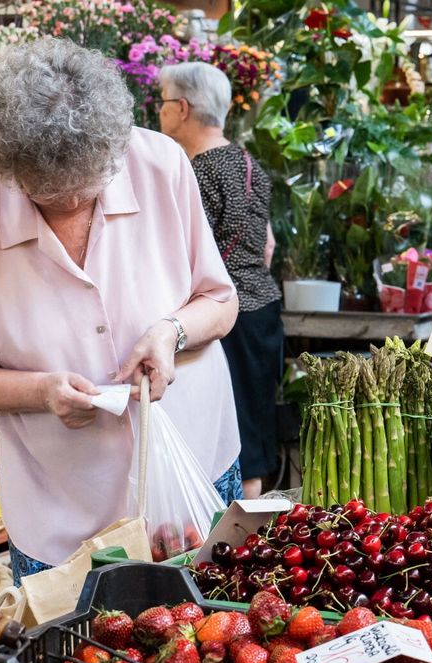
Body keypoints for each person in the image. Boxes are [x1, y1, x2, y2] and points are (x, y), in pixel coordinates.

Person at [0, 38, 243, 583]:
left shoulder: (159, 163)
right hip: (60, 505)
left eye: (86, 188)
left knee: (210, 641)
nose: (73, 205)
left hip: (193, 472)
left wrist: (171, 332)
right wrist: (41, 391)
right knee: (76, 657)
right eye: (50, 196)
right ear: (9, 168)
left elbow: (219, 301)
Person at [158, 63, 282, 499]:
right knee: (254, 426)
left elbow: (180, 256)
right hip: (263, 307)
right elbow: (267, 245)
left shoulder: (195, 171)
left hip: (223, 316)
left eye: (163, 102)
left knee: (229, 435)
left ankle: (238, 544)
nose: (160, 112)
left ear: (183, 108)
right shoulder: (250, 164)